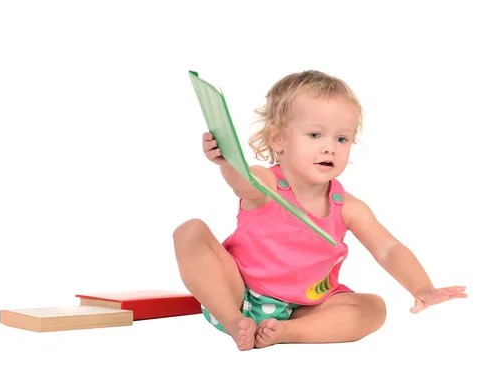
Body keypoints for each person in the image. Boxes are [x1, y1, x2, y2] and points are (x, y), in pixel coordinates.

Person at [173, 70, 467, 351]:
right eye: (315, 135)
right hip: (237, 292)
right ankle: (236, 323)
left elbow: (388, 249)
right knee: (190, 231)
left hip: (306, 308)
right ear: (278, 139)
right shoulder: (268, 183)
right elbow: (244, 184)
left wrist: (422, 287)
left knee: (373, 308)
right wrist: (227, 162)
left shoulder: (348, 207)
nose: (330, 148)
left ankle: (285, 333)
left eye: (341, 139)